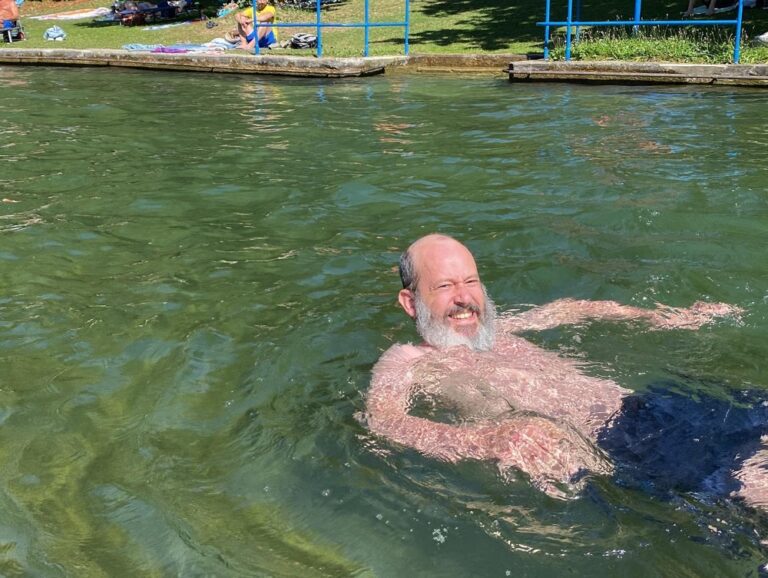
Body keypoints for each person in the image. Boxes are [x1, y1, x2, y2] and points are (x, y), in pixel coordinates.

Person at [363, 234, 765, 507]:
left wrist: (665, 318)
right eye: (445, 286)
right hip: (614, 445)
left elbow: (575, 308)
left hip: (652, 403)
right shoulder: (406, 362)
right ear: (410, 302)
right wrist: (486, 440)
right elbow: (383, 422)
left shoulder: (503, 328)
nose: (465, 297)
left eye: (471, 281)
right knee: (752, 487)